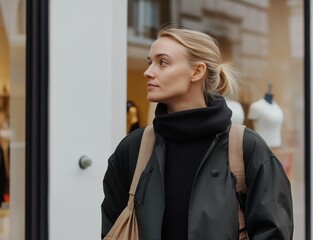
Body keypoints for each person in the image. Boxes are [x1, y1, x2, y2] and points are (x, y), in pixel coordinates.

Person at [101, 26, 293, 240]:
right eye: (150, 62)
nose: (148, 72)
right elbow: (112, 227)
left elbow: (274, 233)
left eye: (162, 62)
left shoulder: (248, 148)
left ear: (197, 71)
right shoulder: (133, 148)